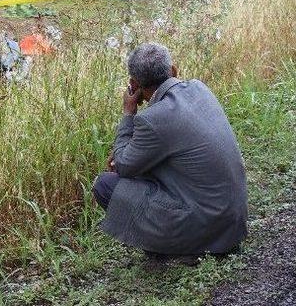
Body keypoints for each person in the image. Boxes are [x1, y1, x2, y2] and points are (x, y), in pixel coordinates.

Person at [93, 43, 248, 261]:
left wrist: (128, 114)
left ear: (134, 84)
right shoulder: (199, 88)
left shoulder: (152, 119)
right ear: (174, 71)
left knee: (105, 185)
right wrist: (126, 153)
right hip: (232, 221)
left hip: (207, 225)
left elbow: (123, 166)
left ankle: (177, 250)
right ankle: (186, 244)